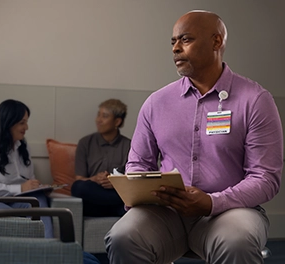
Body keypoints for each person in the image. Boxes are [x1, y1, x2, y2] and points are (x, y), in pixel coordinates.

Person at [105, 10, 283, 264]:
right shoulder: (156, 103)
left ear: (216, 42)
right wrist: (142, 192)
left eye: (185, 40)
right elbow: (138, 164)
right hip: (166, 213)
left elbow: (265, 178)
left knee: (237, 242)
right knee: (123, 236)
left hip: (231, 211)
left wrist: (211, 203)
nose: (176, 48)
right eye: (173, 42)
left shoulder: (255, 100)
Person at [0, 99, 53, 238]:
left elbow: (28, 178)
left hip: (17, 200)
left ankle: (48, 246)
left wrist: (37, 186)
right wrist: (20, 189)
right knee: (11, 217)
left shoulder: (22, 147)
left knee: (38, 198)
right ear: (8, 123)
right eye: (22, 123)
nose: (26, 127)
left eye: (26, 122)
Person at [71, 99, 130, 217]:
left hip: (117, 191)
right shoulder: (85, 143)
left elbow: (133, 180)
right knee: (78, 187)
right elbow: (80, 178)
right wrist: (95, 179)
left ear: (117, 121)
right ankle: (116, 206)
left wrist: (115, 182)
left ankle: (117, 206)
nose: (98, 120)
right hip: (94, 197)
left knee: (130, 194)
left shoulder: (129, 146)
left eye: (105, 116)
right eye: (98, 115)